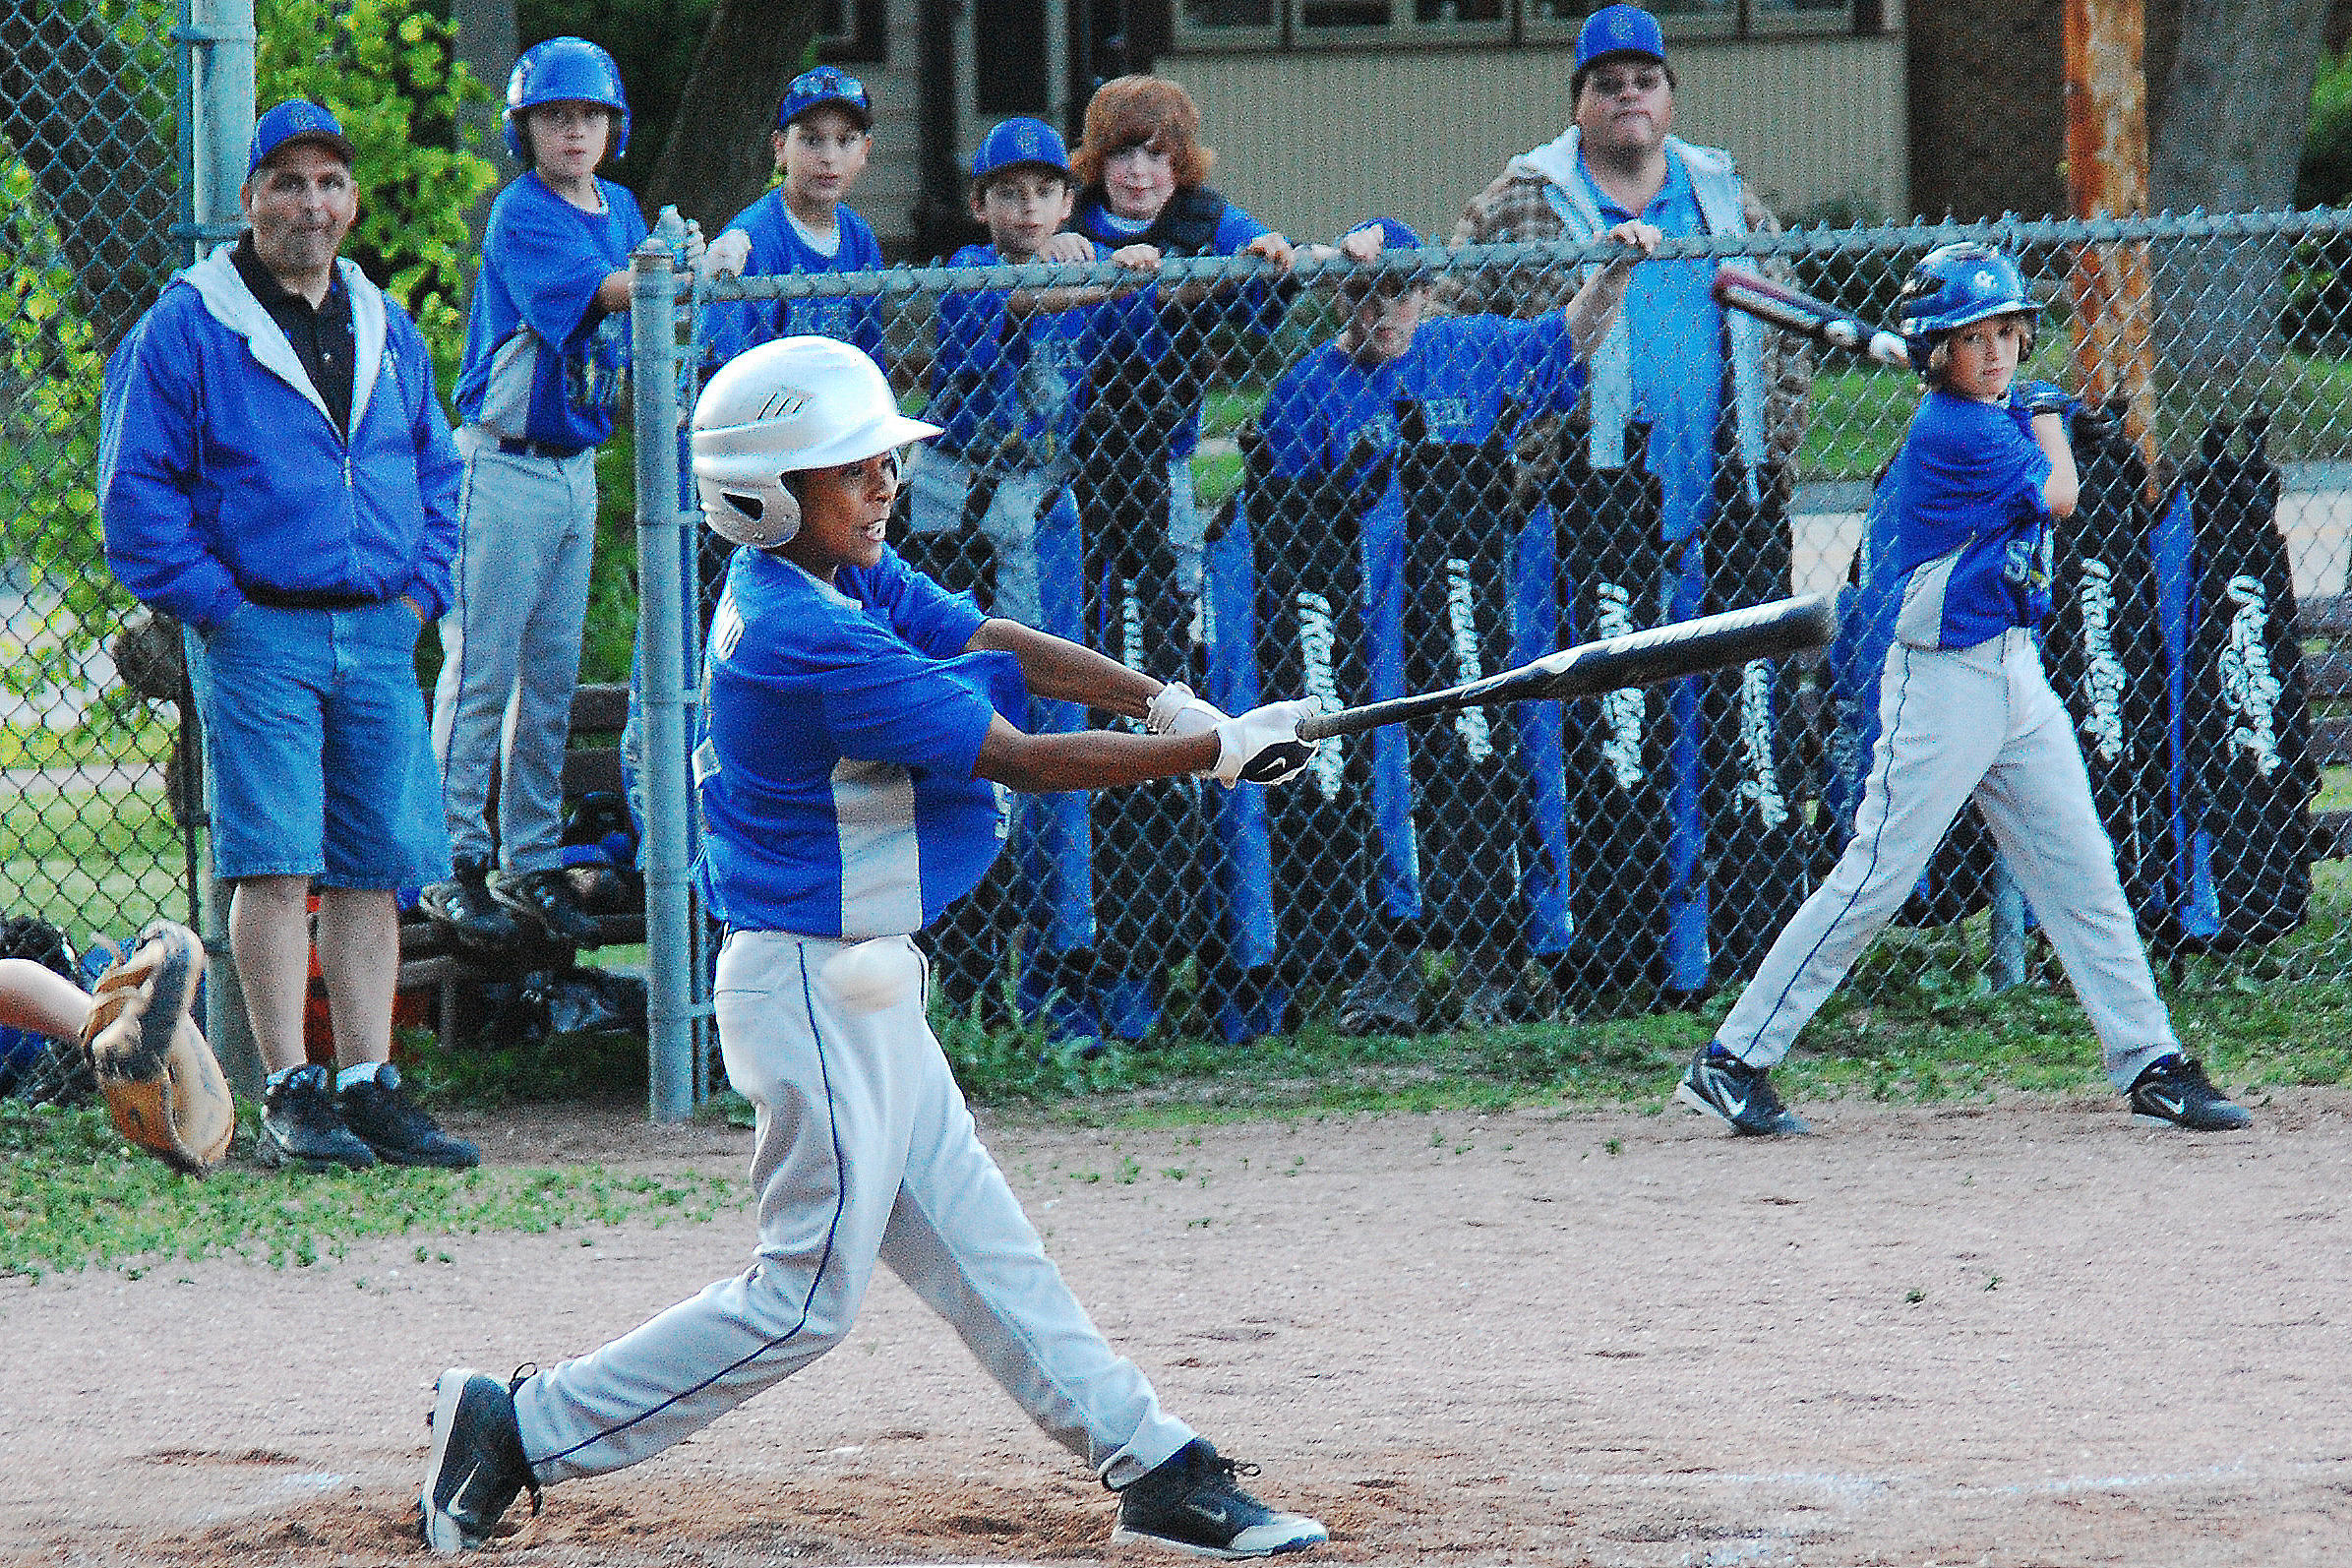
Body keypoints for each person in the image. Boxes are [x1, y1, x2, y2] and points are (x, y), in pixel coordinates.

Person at [417, 336, 1330, 1559]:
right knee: (802, 1297)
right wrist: (1214, 754)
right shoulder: (804, 631)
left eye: (882, 462)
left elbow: (993, 639)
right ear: (767, 496)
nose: (885, 484)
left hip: (857, 981)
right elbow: (1024, 759)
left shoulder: (833, 578)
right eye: (852, 469)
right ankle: (519, 1428)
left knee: (986, 1247)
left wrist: (1169, 703)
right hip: (809, 985)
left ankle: (1154, 1464)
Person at [1674, 244, 2255, 1138]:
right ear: (1936, 352)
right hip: (1942, 681)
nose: (1994, 355)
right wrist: (2048, 415)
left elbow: (2025, 440)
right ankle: (1732, 1059)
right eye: (1971, 340)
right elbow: (2059, 496)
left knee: (2082, 869)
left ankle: (2151, 1063)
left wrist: (2031, 406)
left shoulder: (1988, 411)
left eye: (2006, 335)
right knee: (1875, 876)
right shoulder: (1955, 429)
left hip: (2013, 673)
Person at [99, 99, 477, 1172]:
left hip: (379, 631)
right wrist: (221, 607)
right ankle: (291, 1092)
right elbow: (135, 497)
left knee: (372, 867)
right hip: (259, 629)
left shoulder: (384, 323)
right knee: (273, 863)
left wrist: (420, 595)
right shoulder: (190, 325)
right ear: (250, 199)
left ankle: (367, 1083)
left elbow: (436, 472)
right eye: (287, 183)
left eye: (328, 183)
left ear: (352, 203)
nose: (310, 204)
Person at [1452, 3, 1812, 1005]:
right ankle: (1602, 954)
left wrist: (1772, 455)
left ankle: (1723, 948)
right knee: (1603, 732)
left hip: (1719, 513)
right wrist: (1510, 463)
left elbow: (1787, 326)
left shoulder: (1723, 195)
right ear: (1577, 100)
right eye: (1606, 82)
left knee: (1724, 728)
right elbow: (1455, 335)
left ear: (1668, 94)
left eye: (1644, 79)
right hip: (1579, 516)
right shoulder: (1522, 203)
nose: (1627, 96)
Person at [1251, 216, 1657, 1031]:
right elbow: (1290, 529)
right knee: (1377, 784)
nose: (1382, 312)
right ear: (1339, 294)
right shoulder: (1304, 390)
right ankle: (1384, 976)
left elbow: (1564, 343)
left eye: (1400, 293)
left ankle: (1489, 974)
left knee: (1480, 767)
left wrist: (1612, 274)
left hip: (1468, 602)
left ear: (1428, 292)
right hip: (1367, 622)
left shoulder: (1465, 347)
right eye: (1363, 294)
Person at [904, 117, 1162, 1045]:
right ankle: (964, 969)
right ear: (980, 207)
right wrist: (1095, 274)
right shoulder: (969, 273)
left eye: (1044, 193)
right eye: (1007, 194)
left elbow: (1161, 309)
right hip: (957, 523)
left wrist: (1128, 266)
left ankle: (1059, 964)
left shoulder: (1082, 261)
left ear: (1066, 200)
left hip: (1039, 514)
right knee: (964, 729)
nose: (1026, 209)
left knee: (1053, 724)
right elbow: (1017, 307)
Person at [423, 36, 680, 954]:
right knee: (483, 672)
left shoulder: (621, 207)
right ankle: (448, 860)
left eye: (590, 117)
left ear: (615, 128)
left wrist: (674, 261)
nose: (574, 132)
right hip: (502, 467)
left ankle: (527, 859)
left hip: (573, 467)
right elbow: (611, 292)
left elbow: (641, 295)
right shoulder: (522, 212)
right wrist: (676, 269)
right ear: (523, 129)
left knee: (551, 680)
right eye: (554, 117)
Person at [1063, 75, 1298, 1041]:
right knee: (1087, 706)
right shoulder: (1068, 223)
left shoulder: (1202, 219)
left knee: (1168, 700)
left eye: (1156, 155)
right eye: (1122, 153)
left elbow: (1264, 276)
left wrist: (1263, 256)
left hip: (1158, 484)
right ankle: (1094, 966)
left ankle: (1185, 960)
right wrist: (1100, 269)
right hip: (1072, 487)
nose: (1138, 173)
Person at [701, 66, 888, 370]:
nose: (829, 158)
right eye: (812, 141)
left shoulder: (860, 238)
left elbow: (869, 361)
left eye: (845, 141)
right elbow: (727, 366)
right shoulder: (751, 240)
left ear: (865, 149)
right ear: (780, 148)